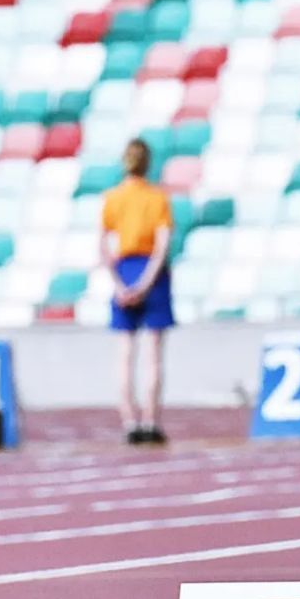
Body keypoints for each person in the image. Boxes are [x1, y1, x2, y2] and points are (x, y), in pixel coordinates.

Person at [100, 139, 174, 444]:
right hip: (150, 274)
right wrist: (145, 283)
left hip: (124, 269)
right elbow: (162, 245)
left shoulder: (113, 199)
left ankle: (129, 421)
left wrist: (120, 284)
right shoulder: (157, 199)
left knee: (125, 354)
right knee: (153, 355)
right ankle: (151, 420)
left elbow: (103, 245)